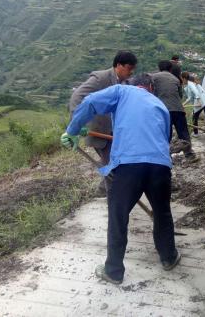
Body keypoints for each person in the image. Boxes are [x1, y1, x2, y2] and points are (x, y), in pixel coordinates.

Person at [60, 74, 181, 284]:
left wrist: (72, 130)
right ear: (150, 87)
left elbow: (89, 102)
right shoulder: (159, 104)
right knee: (162, 212)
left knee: (118, 216)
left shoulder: (121, 91)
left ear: (131, 84)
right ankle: (168, 258)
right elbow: (165, 138)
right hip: (160, 165)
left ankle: (114, 271)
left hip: (128, 166)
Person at [68, 51, 137, 195]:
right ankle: (113, 198)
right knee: (112, 167)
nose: (132, 72)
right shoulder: (100, 78)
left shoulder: (125, 82)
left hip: (116, 131)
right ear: (119, 65)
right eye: (129, 68)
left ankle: (102, 190)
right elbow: (77, 96)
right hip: (100, 131)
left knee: (116, 162)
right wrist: (76, 124)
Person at [152, 60, 196, 161]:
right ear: (170, 69)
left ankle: (166, 157)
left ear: (159, 68)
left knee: (166, 134)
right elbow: (180, 95)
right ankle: (189, 155)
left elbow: (152, 93)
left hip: (164, 110)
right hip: (178, 109)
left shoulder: (154, 77)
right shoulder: (176, 79)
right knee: (183, 132)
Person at [181, 71, 205, 137]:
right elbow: (190, 97)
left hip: (201, 101)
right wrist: (183, 104)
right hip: (204, 100)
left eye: (181, 78)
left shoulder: (190, 84)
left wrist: (198, 101)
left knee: (195, 117)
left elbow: (196, 93)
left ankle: (196, 133)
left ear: (184, 78)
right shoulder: (189, 84)